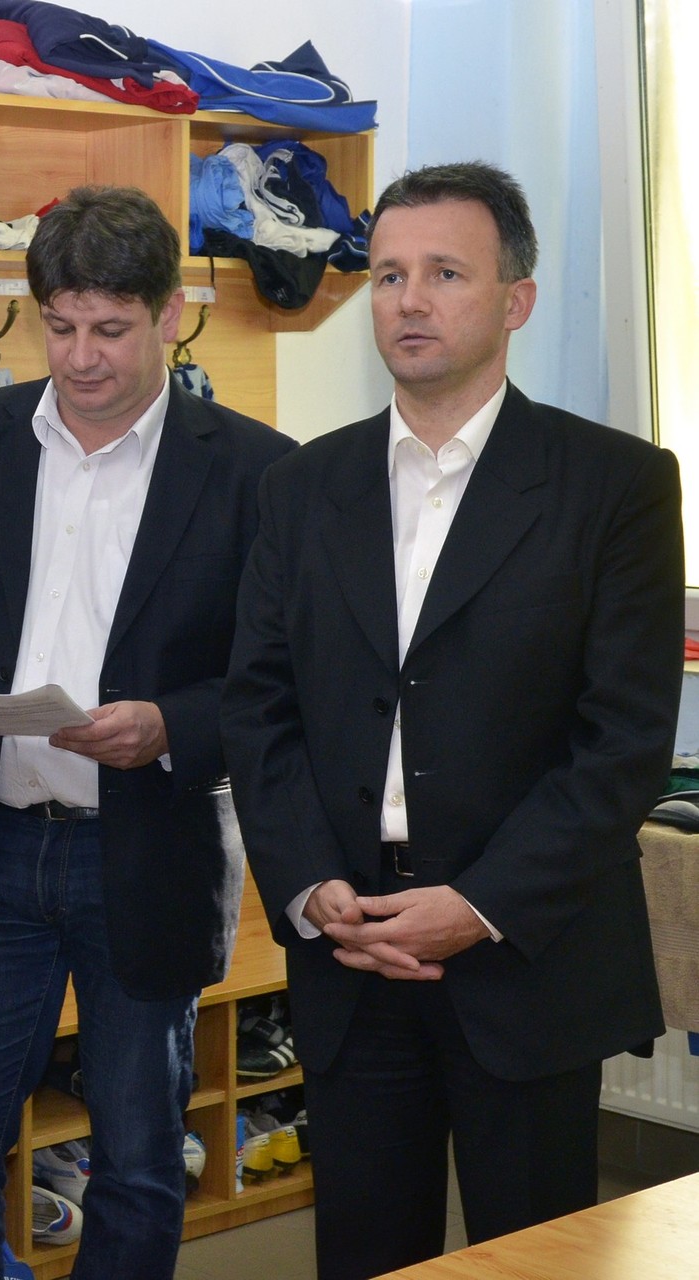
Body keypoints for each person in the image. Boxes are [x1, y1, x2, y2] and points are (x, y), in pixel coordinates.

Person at [220, 161, 685, 1280]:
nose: (408, 300)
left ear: (515, 300)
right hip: (351, 940)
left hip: (526, 953)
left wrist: (475, 906)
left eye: (443, 273)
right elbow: (259, 707)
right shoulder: (301, 487)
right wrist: (310, 886)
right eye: (387, 275)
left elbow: (620, 744)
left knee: (534, 1257)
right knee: (365, 1253)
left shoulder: (614, 484)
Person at [0, 184, 295, 1280]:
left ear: (169, 315)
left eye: (109, 328)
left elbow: (280, 676)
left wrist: (170, 725)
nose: (80, 357)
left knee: (142, 1159)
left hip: (148, 852)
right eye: (59, 327)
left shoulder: (255, 467)